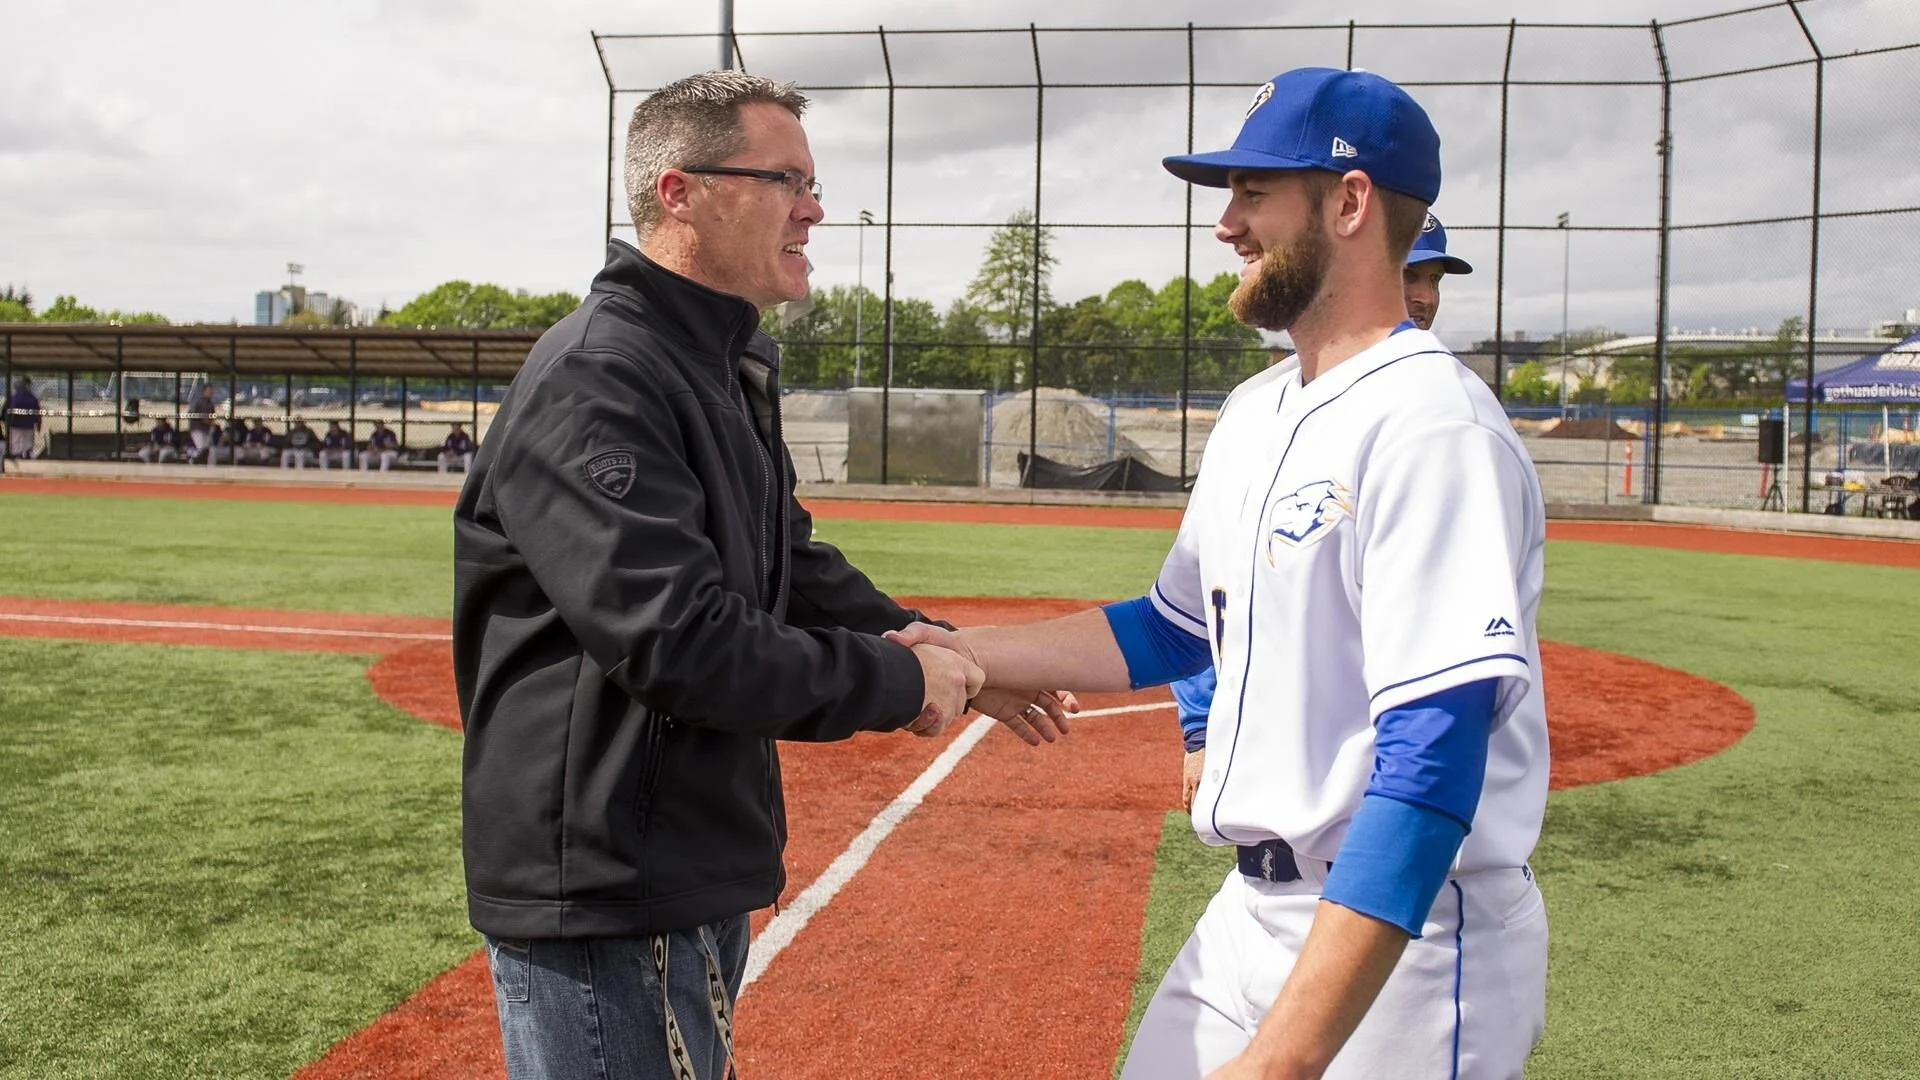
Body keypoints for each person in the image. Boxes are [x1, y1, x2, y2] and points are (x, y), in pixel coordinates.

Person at [890, 68, 1548, 1078]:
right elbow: (1176, 628)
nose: (1226, 226)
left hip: (1400, 951)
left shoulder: (1434, 427)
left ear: (1350, 201)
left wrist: (1284, 1059)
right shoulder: (1259, 409)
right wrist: (965, 652)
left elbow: (1433, 755)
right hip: (1248, 912)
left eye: (1254, 193)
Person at [452, 70, 1072, 1080]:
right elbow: (679, 640)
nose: (816, 209)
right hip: (613, 879)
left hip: (680, 856)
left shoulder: (709, 362)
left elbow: (789, 567)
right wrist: (905, 681)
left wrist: (944, 647)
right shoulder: (602, 374)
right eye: (786, 179)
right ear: (680, 194)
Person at [1173, 211, 1475, 811]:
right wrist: (1201, 727)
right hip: (1267, 858)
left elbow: (1448, 704)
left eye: (1434, 278)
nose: (1423, 294)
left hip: (1373, 838)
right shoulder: (1253, 407)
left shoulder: (1449, 417)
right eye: (1410, 271)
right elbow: (1200, 602)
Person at [7, 377, 41, 460]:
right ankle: (27, 455)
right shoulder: (32, 398)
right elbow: (38, 413)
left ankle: (18, 456)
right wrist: (38, 424)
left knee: (16, 442)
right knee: (27, 442)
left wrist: (9, 422)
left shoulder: (14, 397)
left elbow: (10, 410)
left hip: (16, 424)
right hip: (28, 424)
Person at [184, 384, 217, 459]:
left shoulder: (210, 403)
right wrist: (201, 419)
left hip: (207, 429)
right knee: (200, 448)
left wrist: (211, 422)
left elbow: (212, 416)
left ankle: (198, 460)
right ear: (203, 392)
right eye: (209, 391)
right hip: (197, 429)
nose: (211, 393)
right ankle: (189, 456)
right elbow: (190, 414)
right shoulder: (197, 402)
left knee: (207, 449)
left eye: (211, 391)